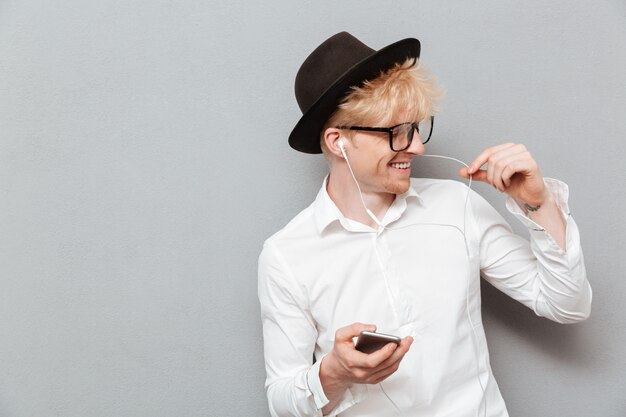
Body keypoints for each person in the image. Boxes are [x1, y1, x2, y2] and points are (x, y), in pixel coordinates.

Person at [257, 32, 592, 417]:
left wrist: (537, 202)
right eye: (396, 133)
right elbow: (281, 401)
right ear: (338, 141)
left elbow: (568, 304)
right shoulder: (287, 255)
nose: (417, 146)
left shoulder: (456, 206)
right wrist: (332, 374)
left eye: (416, 127)